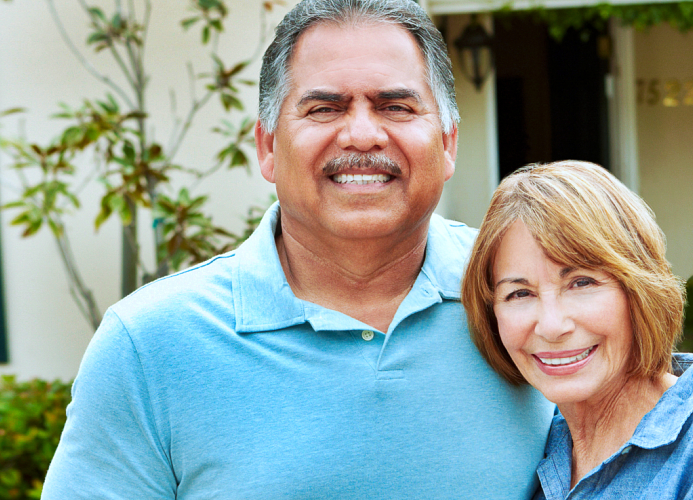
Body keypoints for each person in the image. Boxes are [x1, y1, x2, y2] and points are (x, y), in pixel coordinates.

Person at [39, 0, 553, 497]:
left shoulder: (535, 301)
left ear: (448, 144)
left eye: (395, 106)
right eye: (324, 108)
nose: (362, 134)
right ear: (267, 147)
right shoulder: (149, 346)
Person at [462, 161, 693, 499]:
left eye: (581, 283)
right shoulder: (533, 446)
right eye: (519, 293)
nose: (552, 326)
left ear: (638, 291)